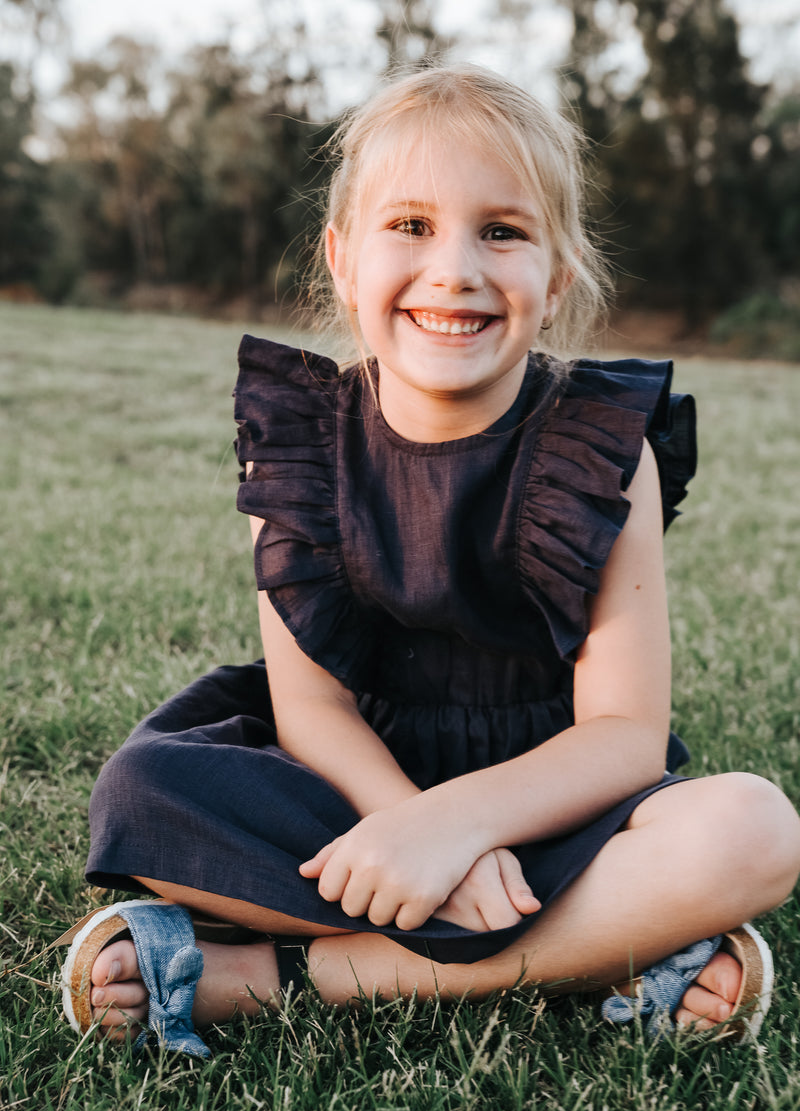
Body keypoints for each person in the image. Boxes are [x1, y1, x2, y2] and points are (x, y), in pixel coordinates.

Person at [61, 64, 800, 1058]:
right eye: (409, 226)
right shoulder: (296, 442)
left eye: (501, 231)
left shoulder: (602, 450)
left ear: (558, 275)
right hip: (353, 798)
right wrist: (413, 831)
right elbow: (312, 710)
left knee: (751, 831)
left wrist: (460, 829)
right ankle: (614, 945)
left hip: (551, 799)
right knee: (142, 794)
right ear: (340, 259)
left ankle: (269, 978)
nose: (454, 268)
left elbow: (623, 734)